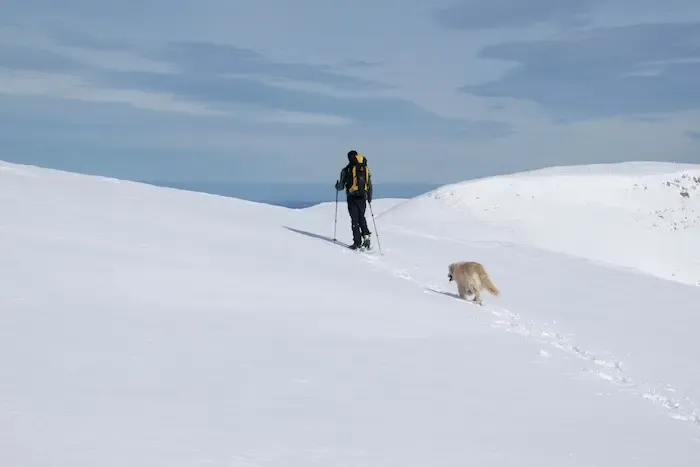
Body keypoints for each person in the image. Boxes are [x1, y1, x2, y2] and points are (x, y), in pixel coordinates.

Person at [335, 150, 373, 250]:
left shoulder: (346, 170)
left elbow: (341, 186)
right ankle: (366, 236)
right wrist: (369, 197)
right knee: (362, 217)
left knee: (354, 220)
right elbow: (369, 184)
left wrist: (337, 186)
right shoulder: (365, 168)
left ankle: (357, 243)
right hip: (363, 196)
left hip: (352, 196)